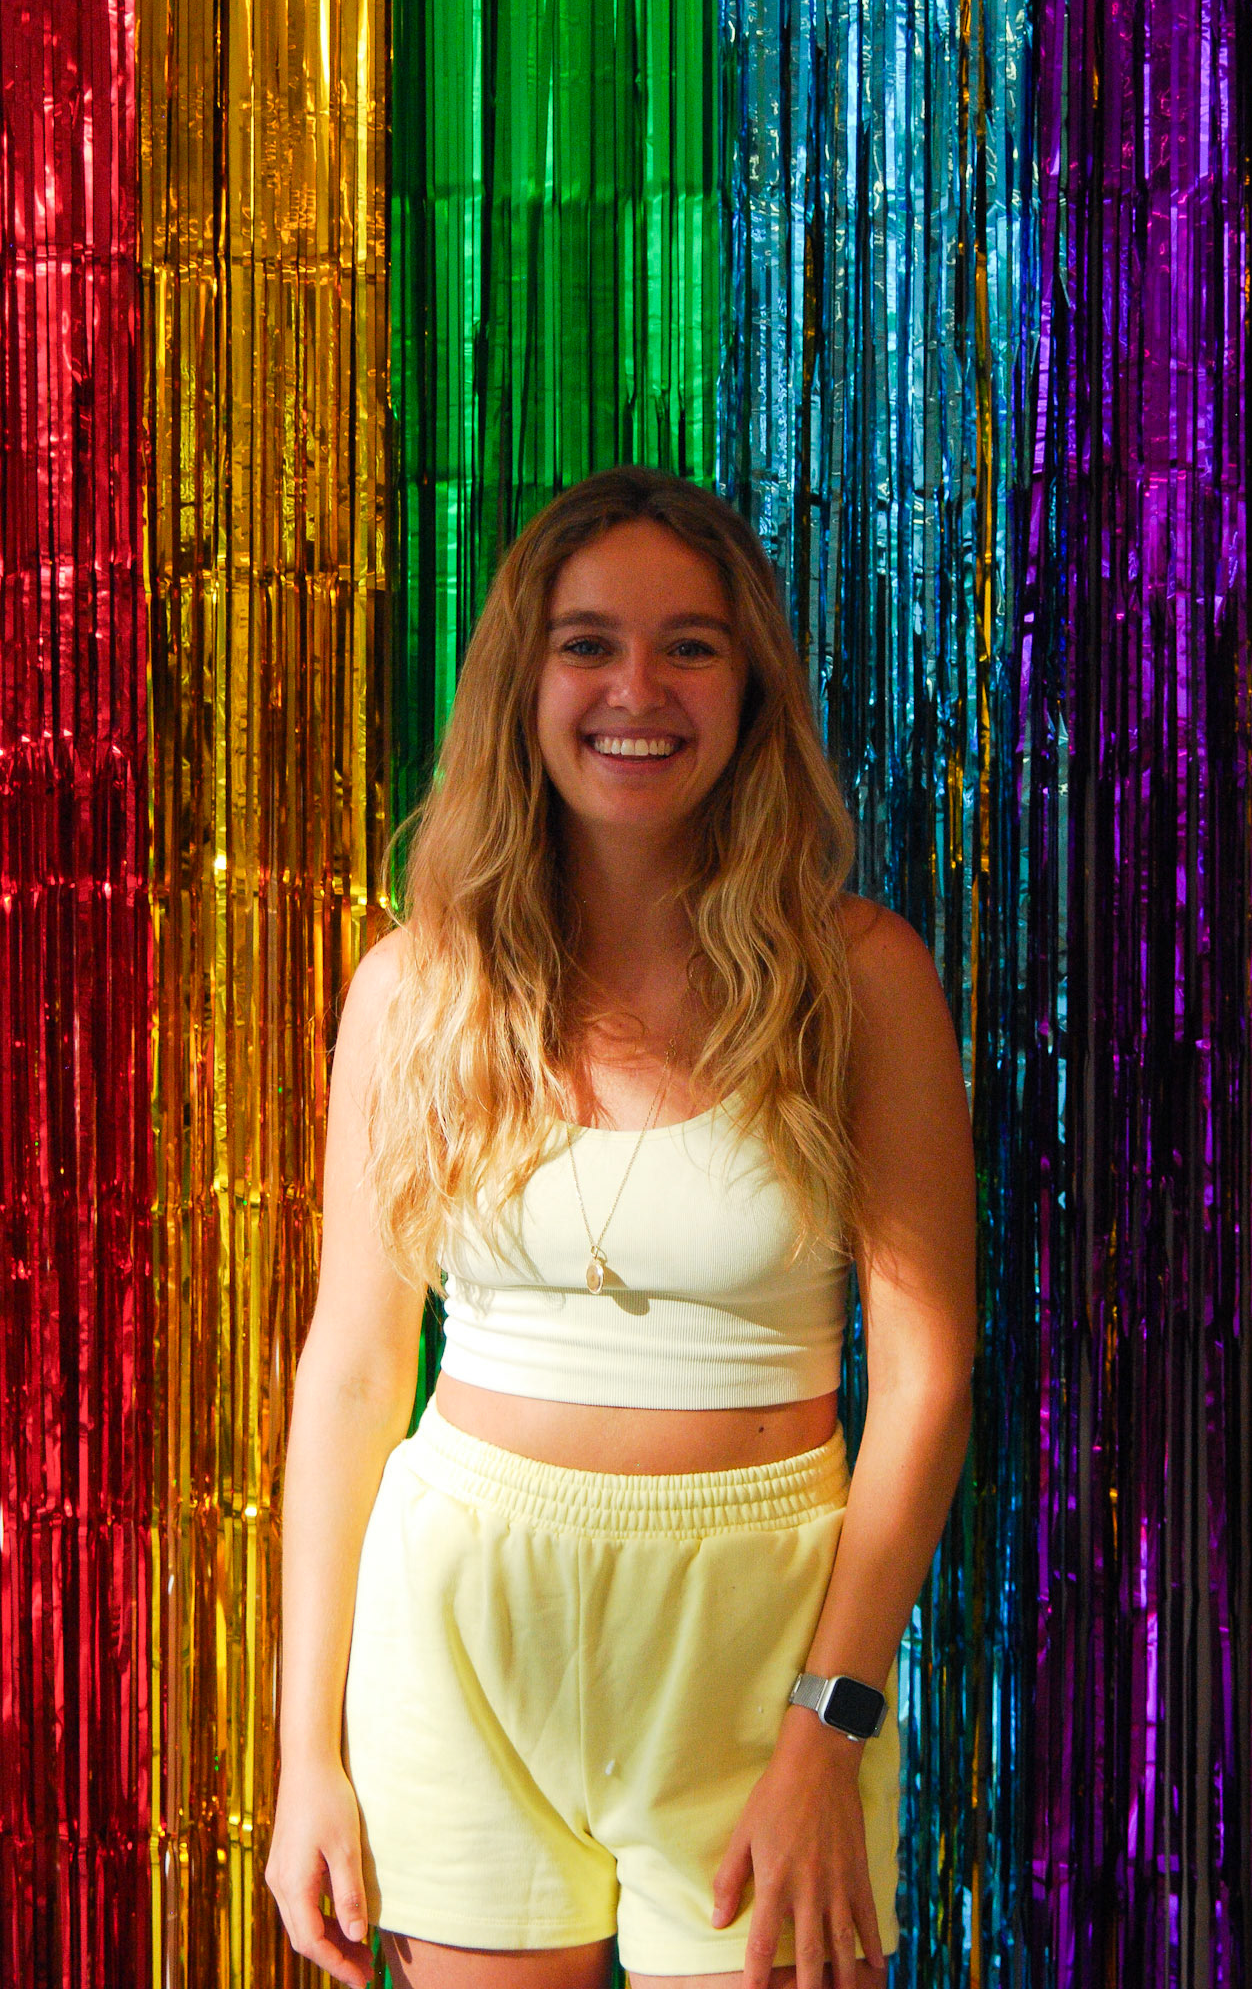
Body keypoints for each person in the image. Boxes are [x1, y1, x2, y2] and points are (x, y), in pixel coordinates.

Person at [265, 467, 977, 1989]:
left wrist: (828, 1731)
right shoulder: (416, 985)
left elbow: (924, 1382)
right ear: (521, 686)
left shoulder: (859, 979)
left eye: (689, 648)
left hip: (760, 1652)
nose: (635, 691)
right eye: (586, 644)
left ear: (750, 687)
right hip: (457, 1639)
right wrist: (305, 1755)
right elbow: (352, 1372)